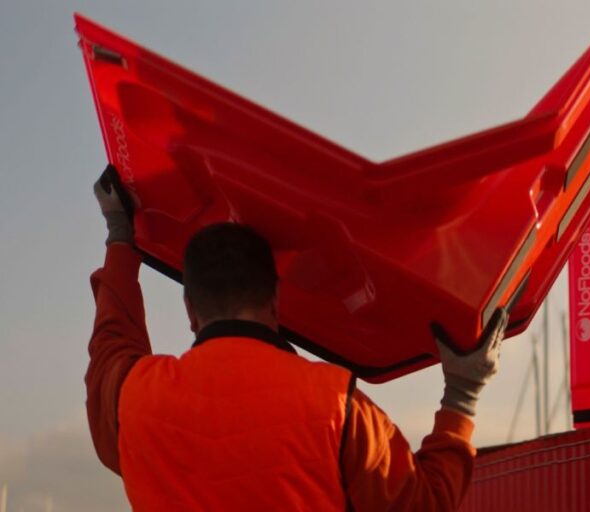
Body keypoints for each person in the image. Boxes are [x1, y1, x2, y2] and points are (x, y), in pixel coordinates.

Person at [86, 175, 506, 510]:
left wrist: (120, 236)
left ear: (190, 309)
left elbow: (112, 337)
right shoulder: (336, 406)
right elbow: (424, 505)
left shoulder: (133, 399)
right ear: (275, 299)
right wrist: (462, 394)